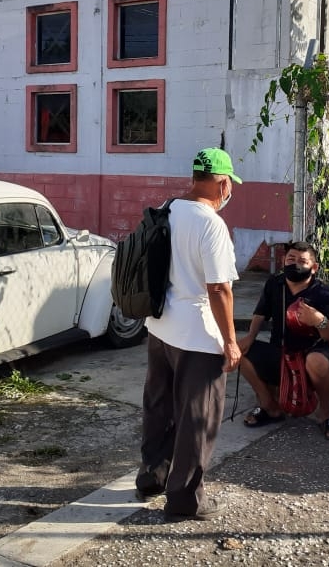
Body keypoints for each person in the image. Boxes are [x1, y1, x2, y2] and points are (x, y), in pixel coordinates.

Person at [135, 147, 243, 522]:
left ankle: (152, 476)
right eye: (229, 185)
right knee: (197, 418)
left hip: (160, 325)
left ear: (195, 176)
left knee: (159, 406)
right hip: (198, 335)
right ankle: (184, 501)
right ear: (223, 182)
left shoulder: (169, 207)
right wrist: (230, 341)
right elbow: (219, 289)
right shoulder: (210, 223)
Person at [238, 241, 329, 439]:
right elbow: (260, 313)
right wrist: (250, 337)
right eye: (291, 259)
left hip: (313, 354)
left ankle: (326, 415)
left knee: (317, 361)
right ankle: (270, 407)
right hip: (282, 353)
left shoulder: (325, 294)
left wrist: (318, 321)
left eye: (303, 261)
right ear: (283, 261)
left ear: (314, 268)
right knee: (239, 352)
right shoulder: (274, 283)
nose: (296, 264)